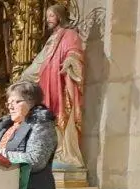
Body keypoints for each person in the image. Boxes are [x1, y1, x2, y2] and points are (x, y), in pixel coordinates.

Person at [18, 3, 85, 170]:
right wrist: (26, 75)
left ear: (60, 17)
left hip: (59, 85)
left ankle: (64, 152)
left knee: (61, 116)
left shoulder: (69, 34)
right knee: (47, 116)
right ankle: (51, 151)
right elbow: (40, 62)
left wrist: (70, 61)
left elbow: (74, 52)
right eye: (47, 16)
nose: (48, 19)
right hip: (47, 84)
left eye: (51, 16)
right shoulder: (52, 39)